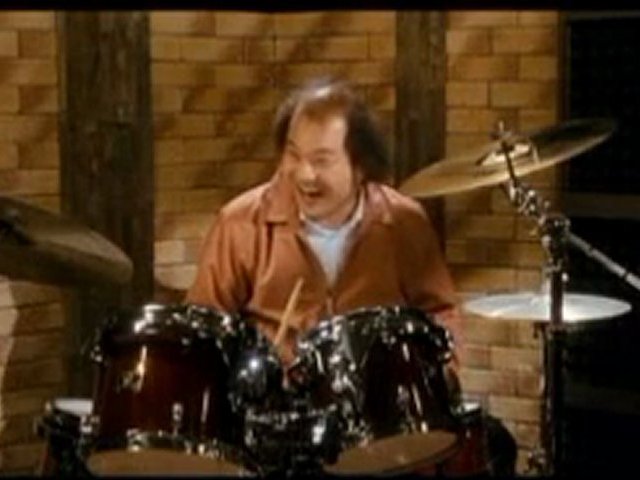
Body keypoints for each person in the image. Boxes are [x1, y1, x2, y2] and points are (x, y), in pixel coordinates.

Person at [185, 76, 516, 475]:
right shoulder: (240, 223)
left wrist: (437, 377)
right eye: (293, 155)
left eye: (322, 160)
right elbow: (201, 332)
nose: (304, 175)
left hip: (379, 432)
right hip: (277, 438)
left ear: (360, 166)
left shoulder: (404, 222)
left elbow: (440, 313)